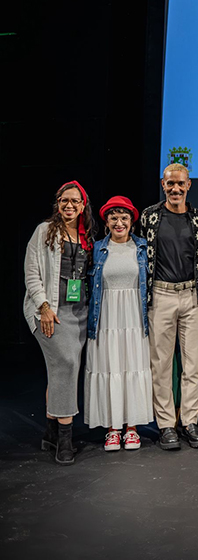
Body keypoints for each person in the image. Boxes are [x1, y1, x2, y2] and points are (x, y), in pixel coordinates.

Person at [140, 163, 198, 450]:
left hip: (193, 295)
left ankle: (190, 421)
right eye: (170, 183)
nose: (176, 189)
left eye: (181, 183)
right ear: (163, 184)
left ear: (189, 185)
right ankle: (166, 425)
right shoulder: (149, 216)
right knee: (161, 365)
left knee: (193, 364)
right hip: (161, 294)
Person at [24, 181, 95, 465]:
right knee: (66, 363)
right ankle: (65, 439)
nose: (69, 205)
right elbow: (31, 273)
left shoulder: (86, 236)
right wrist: (43, 307)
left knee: (61, 371)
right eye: (64, 200)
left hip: (78, 313)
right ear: (58, 203)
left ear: (82, 205)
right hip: (49, 310)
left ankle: (50, 432)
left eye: (75, 201)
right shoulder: (44, 231)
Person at [85, 196, 153, 451]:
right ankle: (113, 429)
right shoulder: (97, 249)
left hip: (134, 318)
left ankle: (131, 427)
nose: (119, 222)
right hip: (106, 318)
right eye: (113, 218)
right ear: (106, 222)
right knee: (110, 367)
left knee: (131, 367)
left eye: (124, 217)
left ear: (132, 221)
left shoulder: (142, 247)